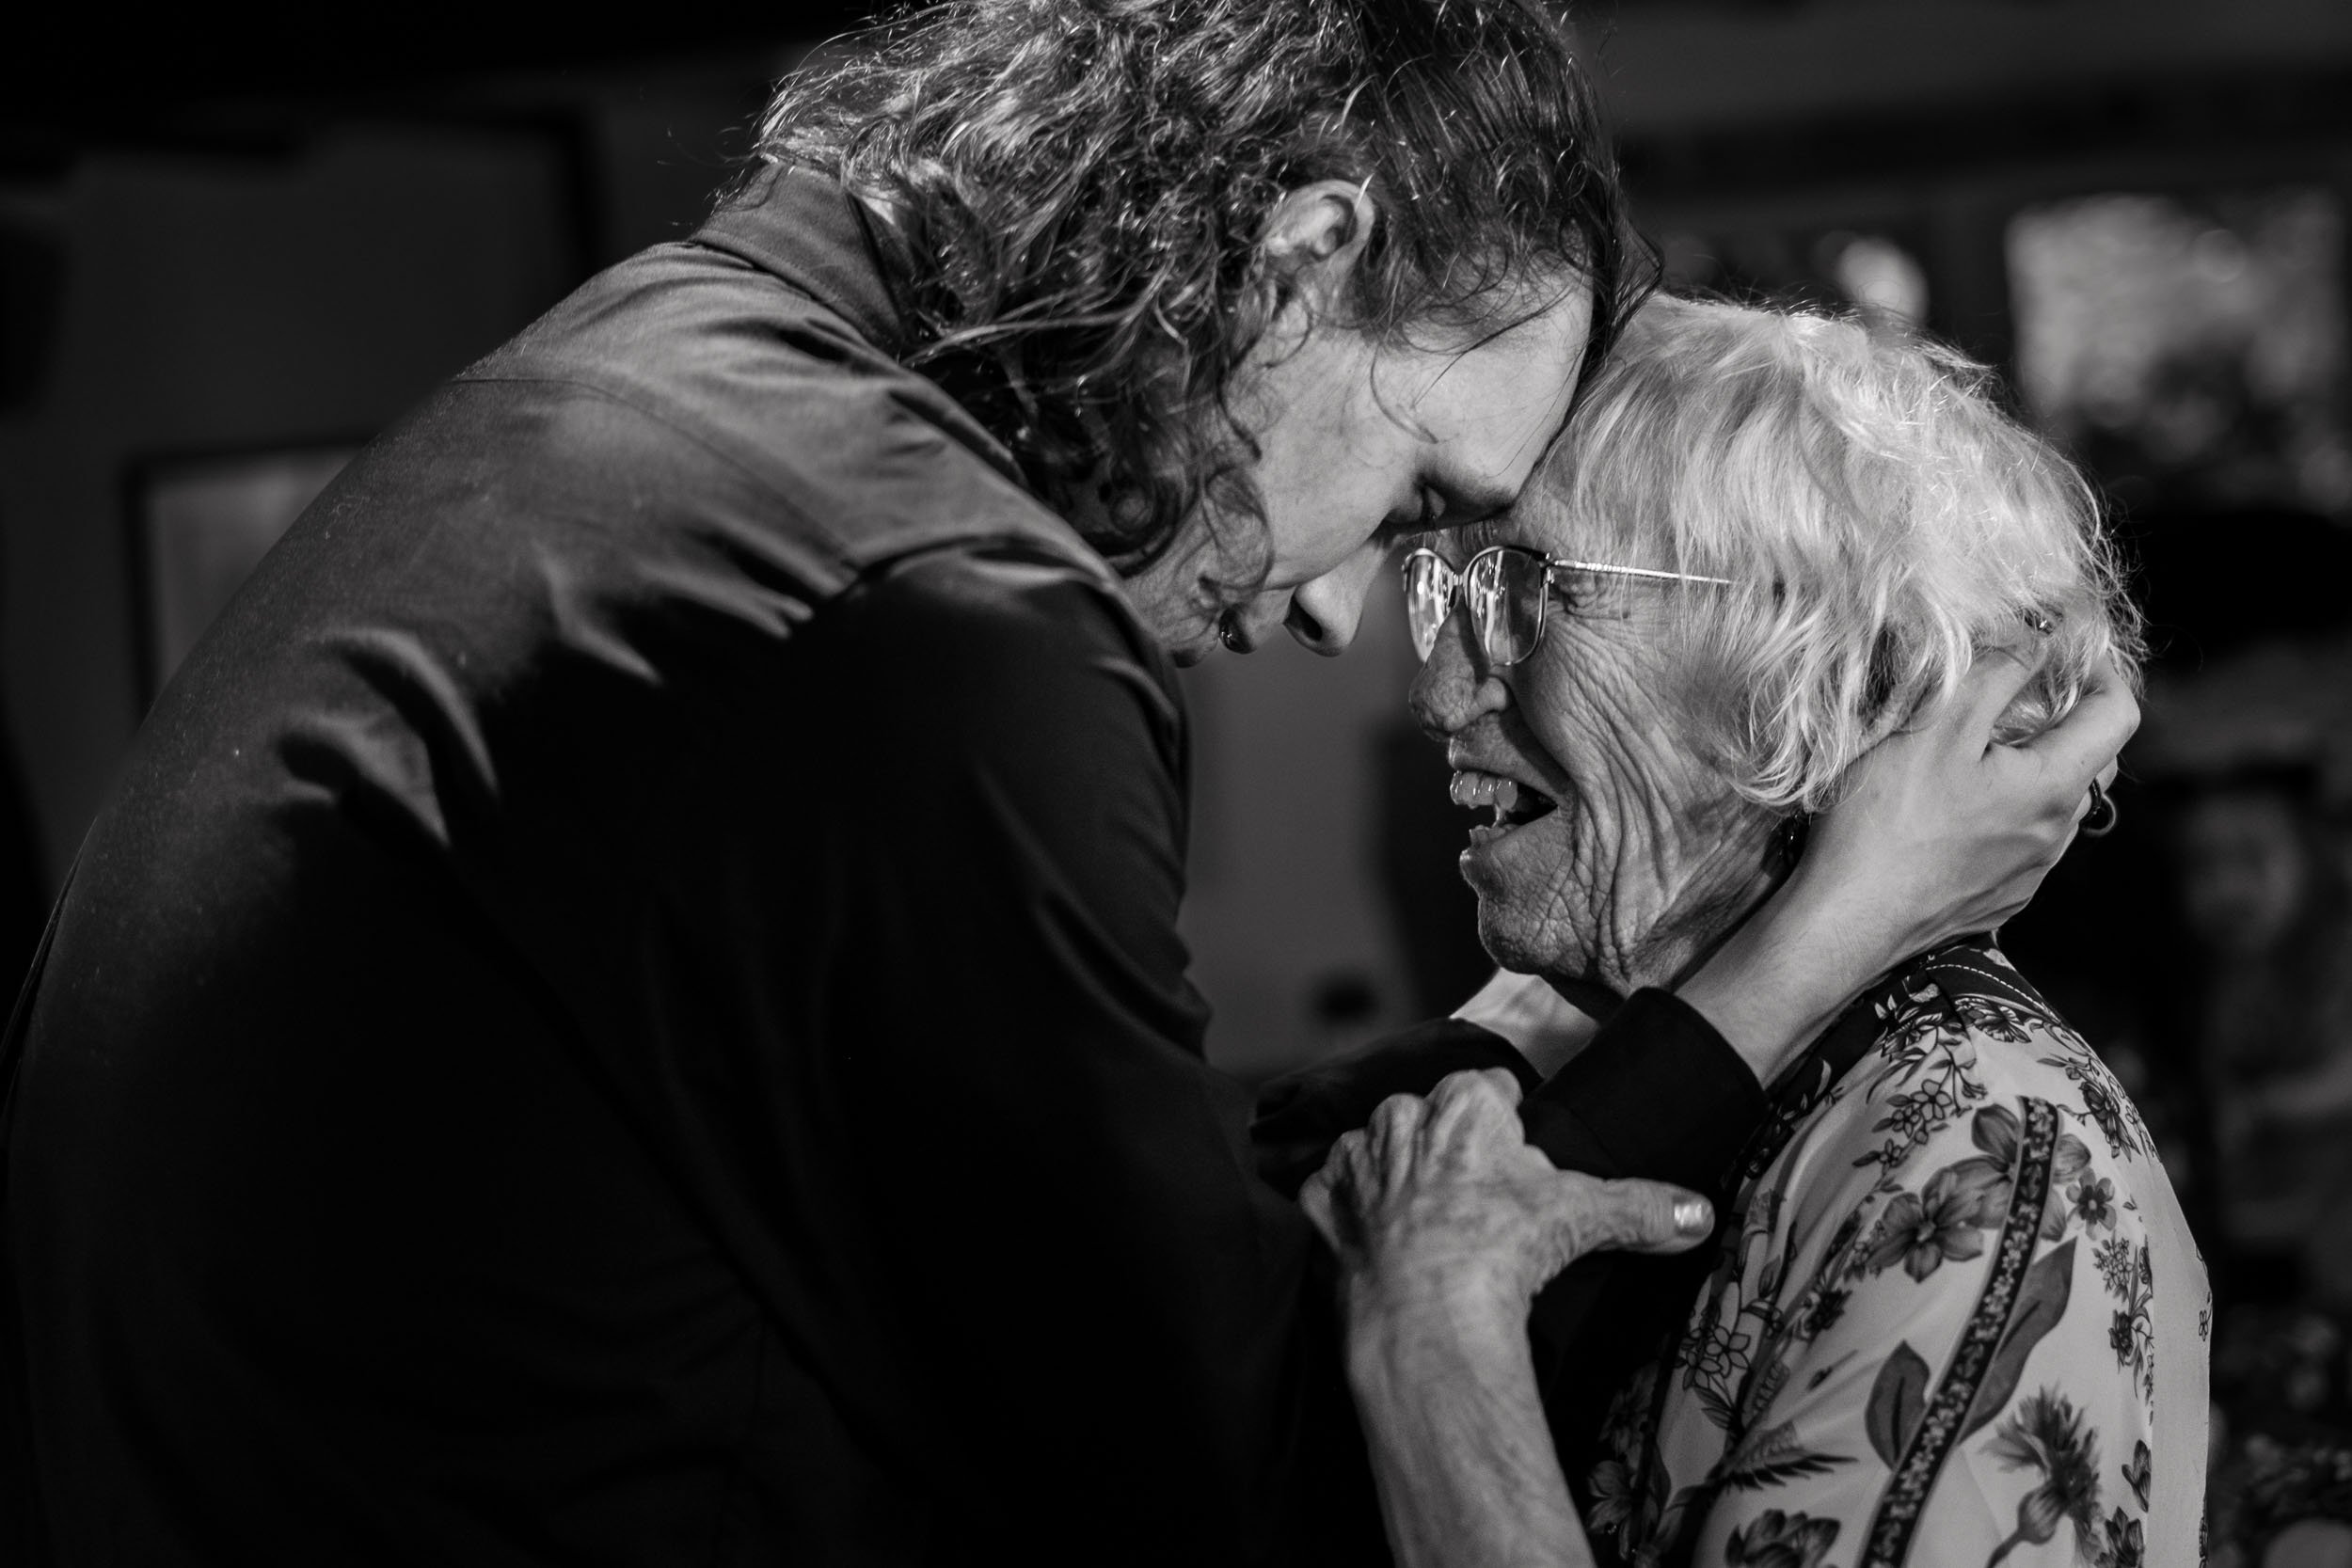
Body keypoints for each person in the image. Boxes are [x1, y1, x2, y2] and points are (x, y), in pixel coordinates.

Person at [0, 6, 2133, 1564]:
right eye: (1413, 503)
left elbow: (1065, 1202)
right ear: (1291, 264)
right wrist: (1810, 939)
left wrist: (1510, 1048)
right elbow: (1257, 1475)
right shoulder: (921, 618)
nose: (1328, 625)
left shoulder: (669, 375)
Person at [1308, 295, 2201, 1568]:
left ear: (1818, 674)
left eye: (1523, 592)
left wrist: (1430, 1343)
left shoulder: (1982, 1157)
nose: (1438, 685)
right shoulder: (1677, 1082)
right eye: (1442, 590)